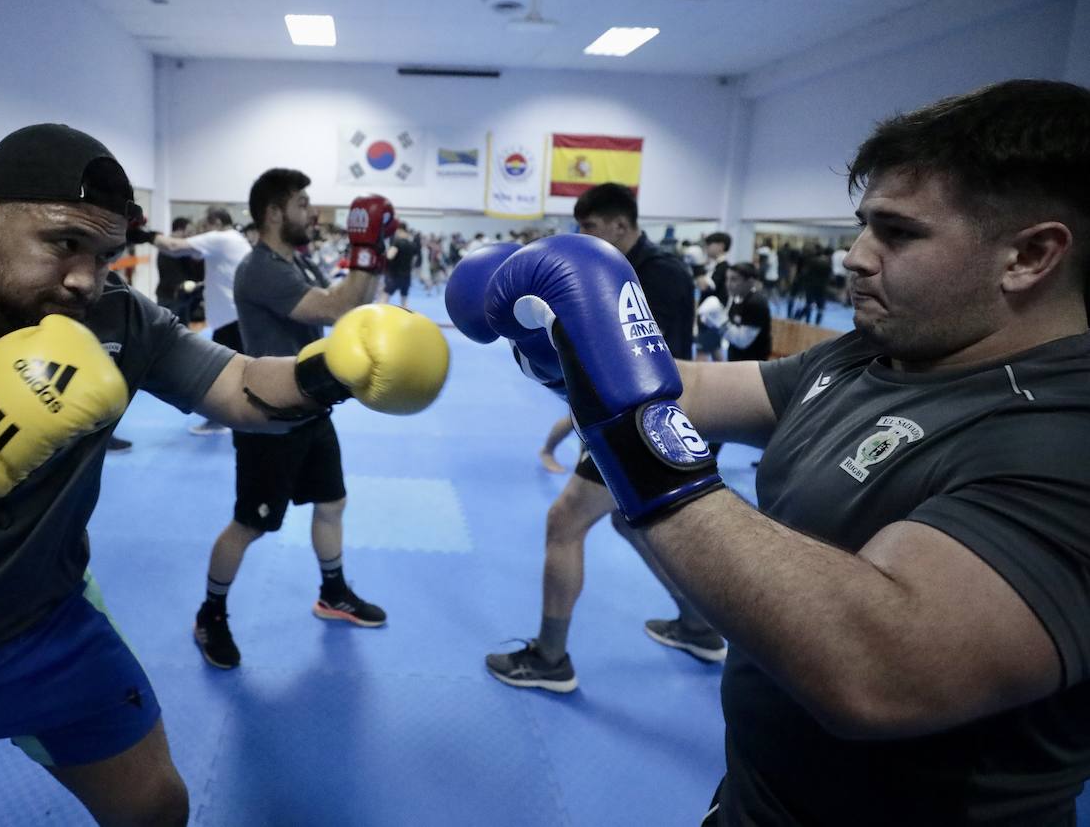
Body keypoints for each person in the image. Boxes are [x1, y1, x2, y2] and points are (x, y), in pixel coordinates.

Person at [0, 124, 447, 826]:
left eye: (106, 253)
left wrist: (337, 372)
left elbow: (236, 385)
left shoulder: (117, 319)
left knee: (157, 806)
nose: (85, 277)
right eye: (62, 242)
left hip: (46, 628)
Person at [462, 79, 1090, 825]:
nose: (855, 257)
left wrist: (628, 429)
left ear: (1029, 254)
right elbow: (688, 384)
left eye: (898, 232)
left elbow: (879, 667)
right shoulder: (868, 357)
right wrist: (568, 349)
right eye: (862, 226)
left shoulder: (1064, 433)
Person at [451, 182, 715, 693]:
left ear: (619, 225)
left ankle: (550, 658)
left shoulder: (656, 275)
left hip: (648, 417)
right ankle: (699, 624)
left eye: (590, 228)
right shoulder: (619, 267)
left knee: (564, 522)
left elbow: (652, 361)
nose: (581, 236)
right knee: (630, 522)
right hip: (629, 416)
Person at [191, 173, 424, 670]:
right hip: (267, 416)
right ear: (274, 214)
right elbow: (337, 307)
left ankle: (333, 593)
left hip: (312, 406)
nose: (311, 213)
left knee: (332, 502)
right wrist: (364, 249)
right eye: (302, 204)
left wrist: (374, 251)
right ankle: (210, 614)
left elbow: (353, 301)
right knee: (249, 525)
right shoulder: (260, 269)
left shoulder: (291, 261)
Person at [151, 207, 253, 435]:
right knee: (236, 371)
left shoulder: (220, 238)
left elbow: (174, 247)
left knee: (218, 374)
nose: (203, 231)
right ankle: (237, 418)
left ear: (215, 222)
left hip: (231, 319)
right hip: (236, 316)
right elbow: (199, 257)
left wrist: (146, 235)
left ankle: (219, 420)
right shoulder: (235, 238)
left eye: (206, 225)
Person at [694, 232, 732, 360]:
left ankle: (696, 381)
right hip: (711, 317)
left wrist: (696, 265)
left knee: (701, 355)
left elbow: (704, 285)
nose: (707, 248)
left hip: (712, 317)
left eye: (710, 244)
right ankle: (727, 379)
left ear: (721, 246)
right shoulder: (714, 266)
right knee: (715, 351)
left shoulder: (723, 267)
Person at [724, 262, 772, 362]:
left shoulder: (756, 303)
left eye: (734, 279)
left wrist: (719, 323)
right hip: (736, 359)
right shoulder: (736, 298)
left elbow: (742, 341)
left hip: (752, 364)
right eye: (727, 279)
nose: (728, 284)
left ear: (749, 281)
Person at [378, 220, 421, 308]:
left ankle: (378, 318)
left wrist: (385, 252)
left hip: (394, 275)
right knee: (404, 301)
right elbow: (414, 261)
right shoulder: (412, 244)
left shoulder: (397, 242)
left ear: (399, 230)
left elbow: (390, 256)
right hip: (406, 276)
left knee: (384, 299)